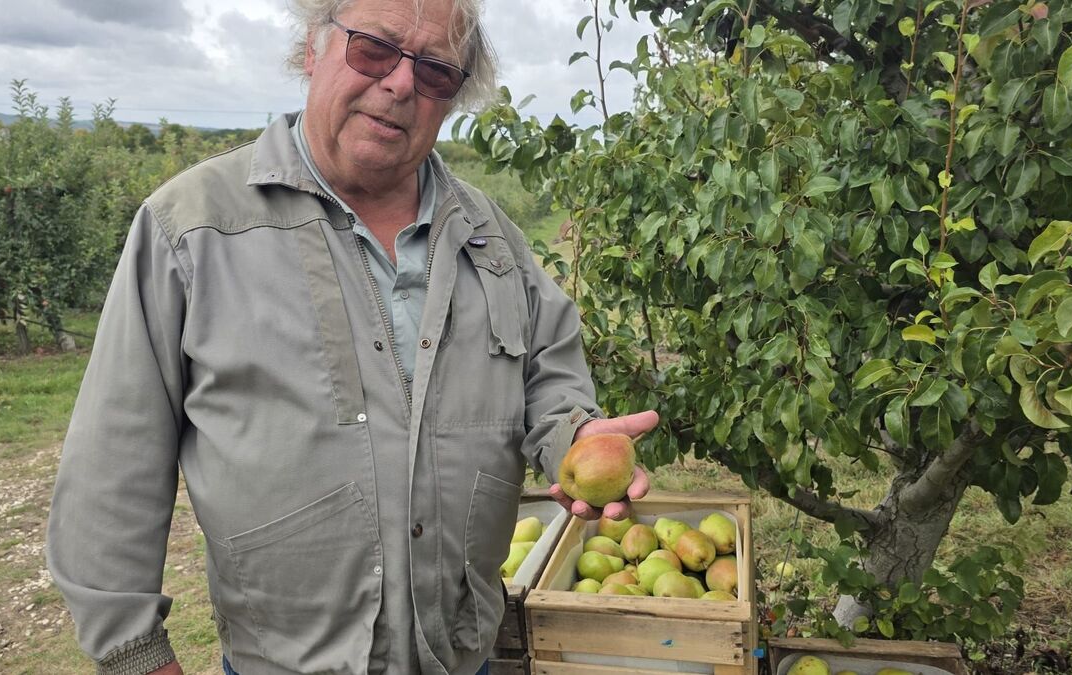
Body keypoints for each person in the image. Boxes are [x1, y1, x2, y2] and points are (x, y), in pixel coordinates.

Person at [45, 0, 658, 673]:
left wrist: (572, 431)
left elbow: (547, 370)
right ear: (313, 45)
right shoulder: (191, 231)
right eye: (374, 48)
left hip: (465, 658)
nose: (400, 83)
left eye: (434, 71)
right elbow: (113, 467)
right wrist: (136, 654)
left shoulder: (490, 237)